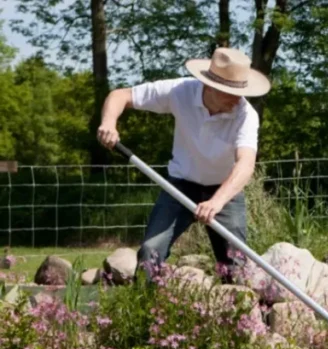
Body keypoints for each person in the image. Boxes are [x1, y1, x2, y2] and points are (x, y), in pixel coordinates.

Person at [96, 47, 271, 282]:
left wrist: (216, 202)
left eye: (241, 91)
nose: (238, 98)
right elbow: (121, 95)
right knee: (150, 252)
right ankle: (147, 312)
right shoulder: (180, 91)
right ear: (211, 86)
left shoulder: (245, 115)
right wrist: (109, 123)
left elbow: (246, 164)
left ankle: (238, 317)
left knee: (236, 267)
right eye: (231, 92)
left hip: (224, 191)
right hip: (180, 187)